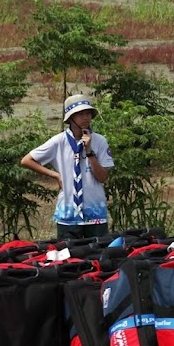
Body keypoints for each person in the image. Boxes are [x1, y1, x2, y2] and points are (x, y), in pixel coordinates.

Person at [21, 94, 113, 240]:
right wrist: (55, 175)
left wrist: (89, 152)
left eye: (88, 113)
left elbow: (102, 178)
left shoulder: (100, 141)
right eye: (80, 114)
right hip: (68, 214)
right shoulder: (59, 141)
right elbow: (27, 160)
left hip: (95, 214)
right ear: (71, 118)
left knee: (97, 256)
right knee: (69, 258)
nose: (85, 118)